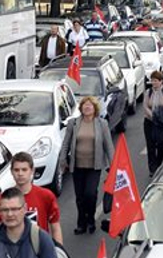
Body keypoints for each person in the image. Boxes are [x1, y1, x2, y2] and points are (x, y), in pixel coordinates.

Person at [58, 96, 114, 235]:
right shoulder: (74, 123)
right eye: (84, 105)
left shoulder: (102, 124)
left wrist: (113, 165)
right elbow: (66, 143)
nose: (87, 107)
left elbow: (108, 145)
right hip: (77, 165)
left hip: (94, 166)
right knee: (80, 196)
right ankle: (81, 223)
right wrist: (63, 160)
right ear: (81, 108)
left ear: (94, 108)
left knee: (90, 193)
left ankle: (91, 218)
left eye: (90, 105)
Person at [0, 152, 63, 245]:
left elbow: (55, 226)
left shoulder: (46, 196)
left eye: (24, 170)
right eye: (16, 170)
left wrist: (59, 251)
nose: (20, 174)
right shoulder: (1, 200)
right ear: (11, 172)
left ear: (32, 171)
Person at [0, 187, 57, 258]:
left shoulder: (41, 239)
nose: (10, 214)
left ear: (25, 208)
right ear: (0, 211)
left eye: (14, 209)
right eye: (5, 210)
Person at [142, 71, 163, 177]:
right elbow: (145, 106)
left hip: (161, 122)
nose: (154, 83)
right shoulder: (148, 92)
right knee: (150, 145)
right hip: (150, 122)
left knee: (161, 144)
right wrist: (152, 116)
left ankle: (159, 164)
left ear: (161, 81)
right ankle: (152, 168)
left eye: (156, 81)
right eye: (152, 81)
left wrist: (160, 116)